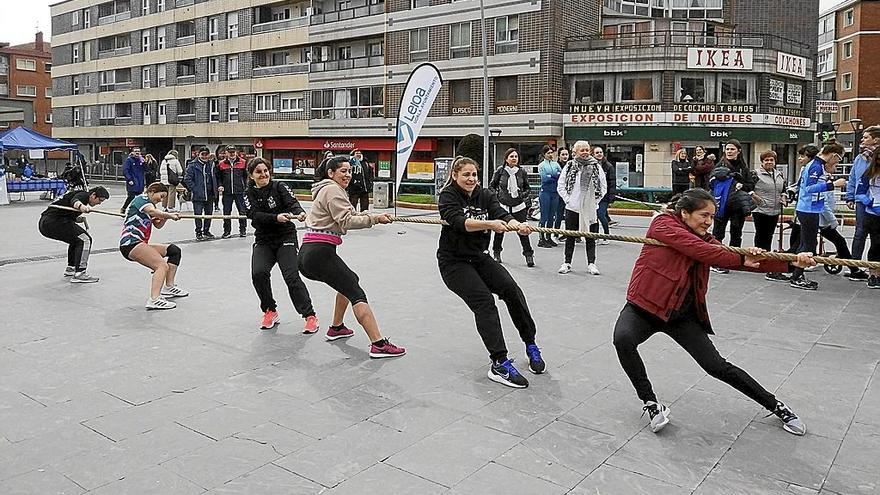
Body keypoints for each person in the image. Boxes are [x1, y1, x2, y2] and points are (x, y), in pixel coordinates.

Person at [613, 188, 813, 436]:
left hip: (682, 316)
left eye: (712, 217)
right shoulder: (662, 224)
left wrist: (791, 261)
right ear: (684, 213)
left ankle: (776, 406)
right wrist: (739, 258)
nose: (709, 222)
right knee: (623, 339)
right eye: (703, 215)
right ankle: (651, 403)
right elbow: (702, 251)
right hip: (644, 306)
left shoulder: (706, 240)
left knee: (716, 366)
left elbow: (728, 256)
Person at [437, 156, 544, 388]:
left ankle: (530, 343)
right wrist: (490, 224)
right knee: (484, 302)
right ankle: (499, 363)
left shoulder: (485, 195)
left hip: (479, 257)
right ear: (455, 175)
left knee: (512, 290)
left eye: (474, 174)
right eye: (466, 174)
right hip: (453, 262)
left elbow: (501, 213)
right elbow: (459, 222)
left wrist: (516, 225)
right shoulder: (448, 196)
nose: (471, 179)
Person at [298, 155, 405, 358]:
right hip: (319, 254)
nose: (347, 175)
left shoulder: (325, 189)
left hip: (309, 253)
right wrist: (375, 219)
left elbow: (345, 216)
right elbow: (346, 221)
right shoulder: (332, 189)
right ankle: (378, 344)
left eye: (349, 171)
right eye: (343, 171)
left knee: (349, 281)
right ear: (331, 173)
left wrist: (367, 216)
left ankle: (337, 328)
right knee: (356, 292)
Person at [244, 158, 319, 332]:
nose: (263, 174)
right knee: (258, 273)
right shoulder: (248, 193)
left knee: (291, 276)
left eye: (265, 171)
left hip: (285, 236)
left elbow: (292, 203)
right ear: (251, 175)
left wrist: (299, 212)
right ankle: (270, 310)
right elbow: (254, 215)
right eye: (258, 172)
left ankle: (309, 315)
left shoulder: (279, 187)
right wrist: (275, 218)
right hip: (264, 239)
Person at [119, 182, 188, 310]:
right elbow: (152, 211)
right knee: (161, 265)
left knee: (174, 251)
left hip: (140, 244)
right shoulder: (142, 200)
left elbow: (158, 225)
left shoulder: (152, 206)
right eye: (160, 196)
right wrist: (169, 215)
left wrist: (168, 217)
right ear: (152, 191)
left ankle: (169, 287)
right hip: (131, 243)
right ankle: (154, 299)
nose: (161, 200)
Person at [789, 142, 847, 290]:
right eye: (839, 159)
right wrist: (832, 185)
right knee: (808, 246)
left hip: (813, 208)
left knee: (805, 243)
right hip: (808, 209)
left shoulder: (819, 165)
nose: (838, 163)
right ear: (833, 155)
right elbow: (809, 188)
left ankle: (795, 274)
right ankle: (796, 275)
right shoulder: (815, 165)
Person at [38, 186, 110, 283]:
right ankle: (80, 273)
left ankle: (71, 268)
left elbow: (65, 210)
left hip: (46, 222)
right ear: (93, 195)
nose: (99, 203)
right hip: (53, 222)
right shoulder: (84, 195)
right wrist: (82, 207)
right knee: (85, 239)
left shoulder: (79, 195)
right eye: (100, 200)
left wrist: (77, 218)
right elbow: (74, 201)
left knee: (76, 240)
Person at [557, 140, 606, 275]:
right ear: (575, 152)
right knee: (570, 236)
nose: (585, 152)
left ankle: (591, 263)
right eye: (582, 150)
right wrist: (569, 200)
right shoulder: (570, 166)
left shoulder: (596, 166)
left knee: (590, 237)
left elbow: (603, 187)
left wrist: (595, 202)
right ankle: (567, 262)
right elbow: (561, 185)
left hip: (590, 209)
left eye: (586, 150)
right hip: (572, 208)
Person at [709, 140, 755, 274]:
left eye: (732, 149)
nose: (729, 151)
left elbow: (750, 185)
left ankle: (734, 260)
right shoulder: (720, 165)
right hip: (721, 204)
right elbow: (711, 183)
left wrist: (742, 185)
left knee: (736, 234)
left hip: (737, 206)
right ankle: (715, 261)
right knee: (718, 234)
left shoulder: (743, 167)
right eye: (727, 149)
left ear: (739, 151)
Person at [845, 125, 880, 282]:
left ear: (876, 139)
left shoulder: (877, 157)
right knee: (860, 233)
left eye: (866, 137)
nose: (862, 140)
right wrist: (850, 197)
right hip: (863, 202)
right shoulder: (860, 158)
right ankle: (855, 267)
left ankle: (874, 271)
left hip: (878, 205)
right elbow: (853, 178)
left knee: (877, 237)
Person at [489, 148, 535, 267]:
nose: (514, 158)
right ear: (506, 158)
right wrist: (497, 198)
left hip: (519, 206)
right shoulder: (500, 171)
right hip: (503, 205)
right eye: (511, 156)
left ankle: (528, 254)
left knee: (523, 231)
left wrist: (522, 195)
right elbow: (492, 186)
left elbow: (527, 188)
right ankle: (496, 252)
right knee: (499, 231)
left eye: (516, 156)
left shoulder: (521, 172)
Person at [750, 150, 789, 282]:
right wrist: (756, 198)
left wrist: (784, 197)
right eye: (766, 160)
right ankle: (759, 259)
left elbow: (784, 189)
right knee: (761, 235)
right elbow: (747, 188)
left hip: (775, 209)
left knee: (769, 235)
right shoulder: (755, 174)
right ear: (762, 162)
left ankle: (765, 257)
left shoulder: (779, 175)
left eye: (771, 160)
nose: (769, 162)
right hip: (760, 210)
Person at [852, 147, 880, 288]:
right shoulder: (868, 173)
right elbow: (860, 193)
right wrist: (870, 203)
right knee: (876, 245)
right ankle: (873, 275)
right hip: (873, 214)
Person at [184, 146, 219, 240]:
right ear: (198, 155)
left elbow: (216, 177)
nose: (204, 156)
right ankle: (198, 232)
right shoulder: (192, 165)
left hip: (210, 194)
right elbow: (187, 179)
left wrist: (216, 188)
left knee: (209, 214)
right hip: (198, 195)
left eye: (206, 154)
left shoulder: (212, 164)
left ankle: (206, 231)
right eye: (202, 154)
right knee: (198, 214)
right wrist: (194, 189)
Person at [216, 145, 248, 238]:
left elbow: (246, 177)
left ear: (236, 152)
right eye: (230, 152)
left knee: (242, 211)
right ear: (226, 153)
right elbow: (219, 177)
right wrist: (220, 185)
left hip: (240, 191)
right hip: (227, 191)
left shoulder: (243, 162)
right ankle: (227, 231)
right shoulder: (221, 164)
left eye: (233, 152)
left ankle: (243, 230)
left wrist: (246, 187)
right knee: (226, 212)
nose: (232, 154)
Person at [537, 145, 561, 248]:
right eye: (548, 153)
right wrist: (554, 176)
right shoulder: (541, 165)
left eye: (552, 152)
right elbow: (545, 179)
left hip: (554, 192)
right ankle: (541, 238)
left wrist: (552, 176)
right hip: (545, 192)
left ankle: (548, 237)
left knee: (552, 216)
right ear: (544, 155)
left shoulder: (556, 164)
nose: (550, 155)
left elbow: (561, 176)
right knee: (544, 216)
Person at [594, 146, 616, 243]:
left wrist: (611, 197)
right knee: (594, 217)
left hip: (604, 196)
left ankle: (606, 235)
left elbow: (612, 183)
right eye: (597, 152)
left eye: (601, 152)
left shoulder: (609, 166)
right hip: (594, 196)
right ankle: (595, 236)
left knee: (601, 215)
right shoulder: (591, 165)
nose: (599, 154)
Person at [121, 148, 145, 213]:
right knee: (131, 196)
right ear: (132, 152)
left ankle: (137, 210)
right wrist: (129, 179)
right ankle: (124, 208)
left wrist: (145, 163)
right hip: (132, 181)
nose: (137, 152)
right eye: (135, 151)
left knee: (139, 197)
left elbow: (146, 170)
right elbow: (126, 171)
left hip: (140, 182)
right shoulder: (129, 160)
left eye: (138, 151)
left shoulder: (141, 160)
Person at [554, 148, 571, 240]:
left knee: (570, 215)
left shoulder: (571, 165)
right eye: (563, 155)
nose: (565, 156)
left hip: (569, 194)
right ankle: (556, 233)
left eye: (566, 154)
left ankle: (570, 234)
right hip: (559, 194)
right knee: (559, 215)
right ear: (559, 156)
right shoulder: (556, 166)